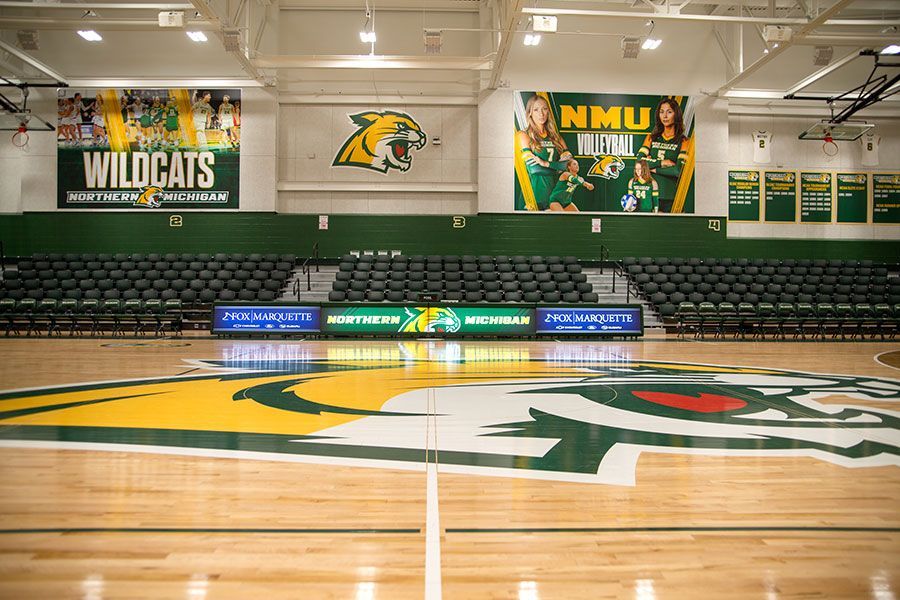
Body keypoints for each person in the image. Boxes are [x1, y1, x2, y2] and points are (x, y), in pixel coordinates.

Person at [515, 94, 572, 211]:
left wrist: (544, 163)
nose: (541, 114)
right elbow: (534, 169)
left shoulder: (556, 138)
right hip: (535, 196)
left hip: (556, 194)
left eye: (544, 109)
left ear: (548, 111)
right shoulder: (523, 135)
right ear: (529, 113)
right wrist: (558, 168)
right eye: (536, 110)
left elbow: (569, 166)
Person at [637, 97, 689, 213]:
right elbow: (639, 163)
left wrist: (652, 168)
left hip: (671, 197)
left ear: (676, 114)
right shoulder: (651, 138)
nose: (665, 116)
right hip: (649, 196)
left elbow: (678, 171)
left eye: (669, 112)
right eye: (661, 112)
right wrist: (662, 163)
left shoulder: (684, 141)